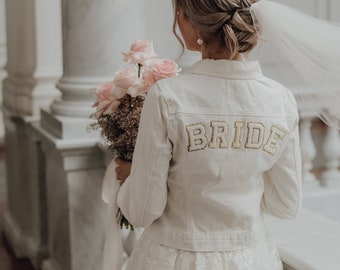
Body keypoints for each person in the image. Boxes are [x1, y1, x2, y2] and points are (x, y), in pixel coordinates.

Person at [115, 0, 302, 269]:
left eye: (179, 13)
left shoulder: (168, 97)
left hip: (176, 257)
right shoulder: (281, 101)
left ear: (191, 23)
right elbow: (287, 204)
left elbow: (142, 211)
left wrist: (129, 177)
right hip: (251, 259)